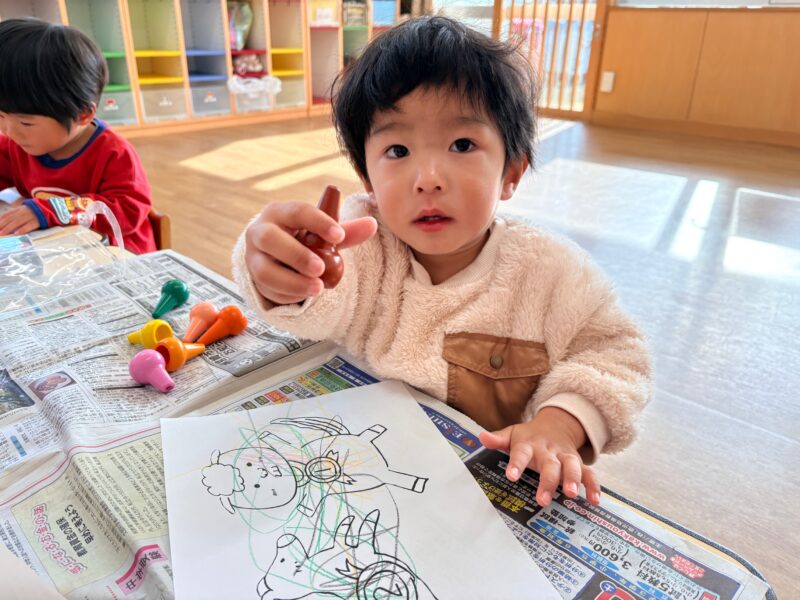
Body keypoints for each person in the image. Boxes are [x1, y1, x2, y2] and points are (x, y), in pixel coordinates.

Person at [233, 16, 651, 507]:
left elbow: (616, 355)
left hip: (486, 494)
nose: (428, 178)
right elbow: (320, 302)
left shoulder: (551, 272)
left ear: (512, 172)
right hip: (367, 475)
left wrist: (560, 424)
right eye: (397, 150)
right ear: (367, 179)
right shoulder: (360, 240)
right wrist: (280, 270)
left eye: (462, 145)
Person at [0, 18, 156, 254]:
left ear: (83, 114)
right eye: (1, 116)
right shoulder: (17, 143)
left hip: (118, 255)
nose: (9, 131)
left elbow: (128, 211)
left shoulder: (114, 154)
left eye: (26, 122)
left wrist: (50, 210)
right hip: (59, 251)